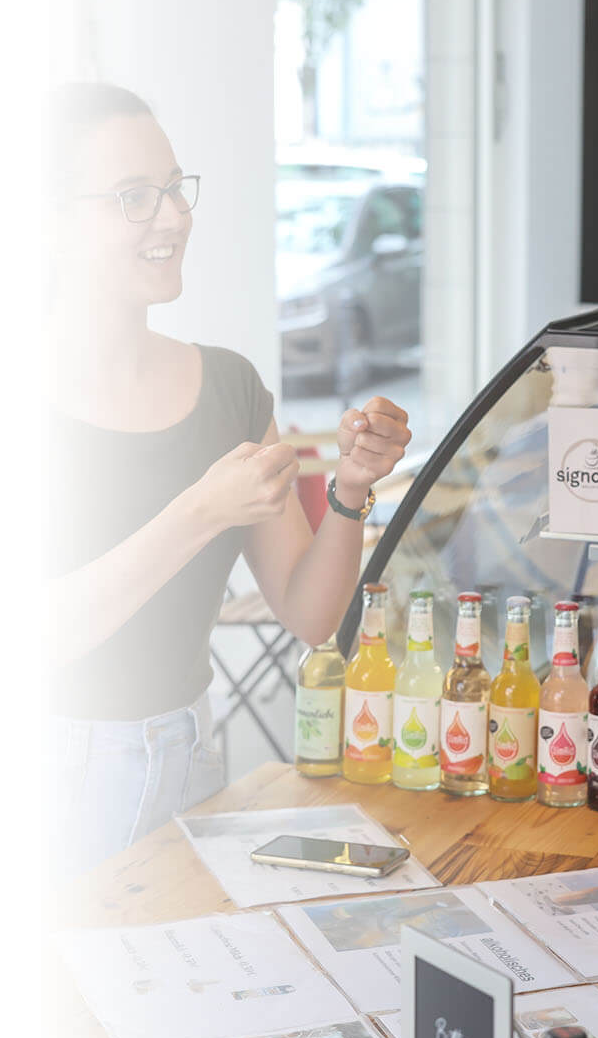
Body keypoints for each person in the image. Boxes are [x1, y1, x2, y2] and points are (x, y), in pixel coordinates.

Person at [43, 82, 412, 876]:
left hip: (189, 755)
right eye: (133, 197)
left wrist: (349, 489)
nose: (172, 217)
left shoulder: (229, 388)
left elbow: (312, 617)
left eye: (175, 189)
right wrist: (199, 513)